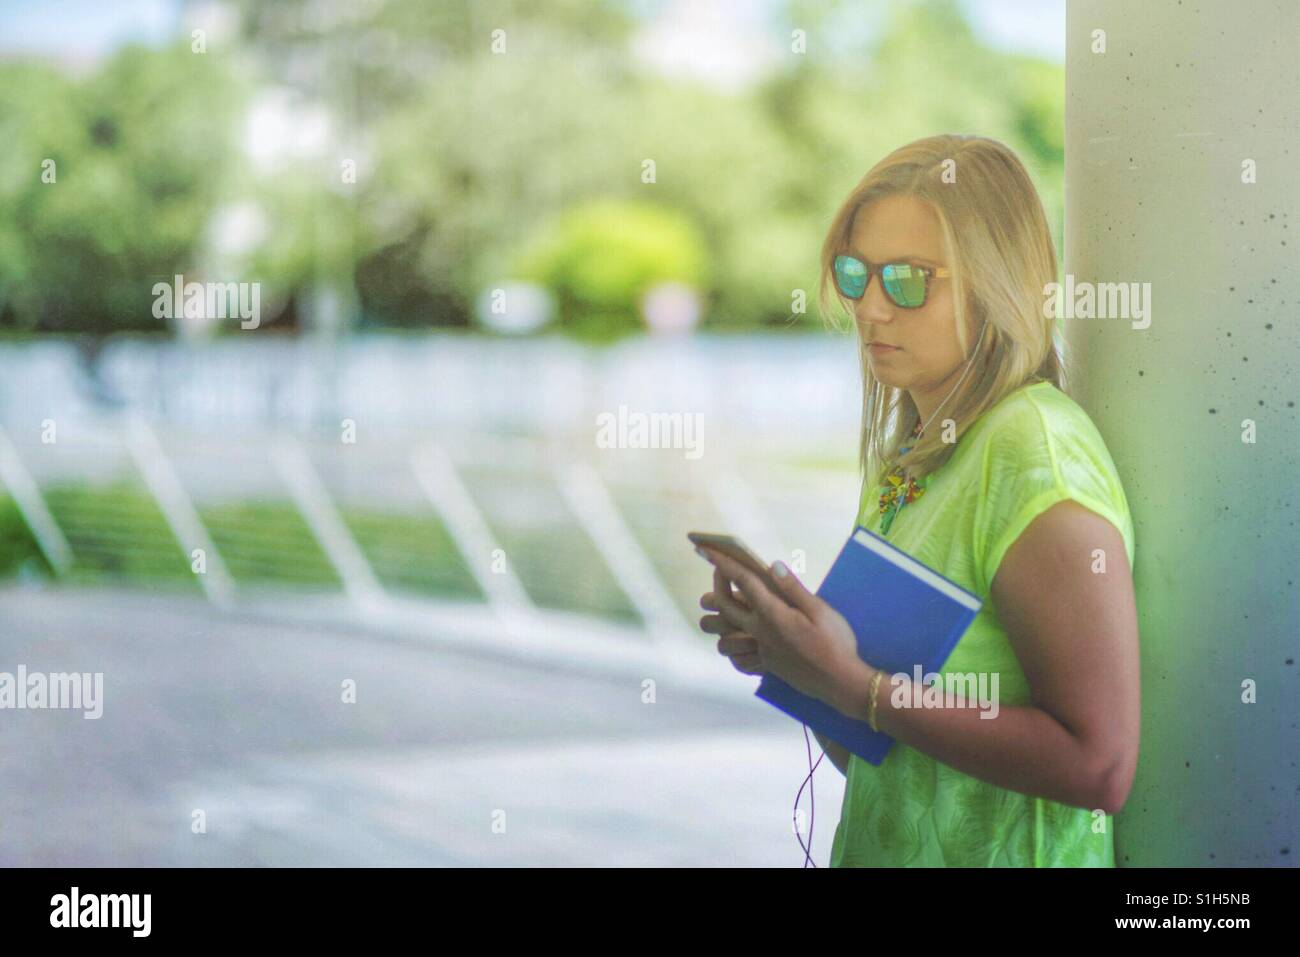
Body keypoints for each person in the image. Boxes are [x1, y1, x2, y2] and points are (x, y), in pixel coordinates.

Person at [695, 134, 1139, 867]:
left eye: (907, 279)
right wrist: (801, 662)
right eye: (854, 274)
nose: (870, 307)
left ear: (996, 284)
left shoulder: (1033, 451)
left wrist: (856, 685)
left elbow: (1100, 767)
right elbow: (889, 762)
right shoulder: (919, 449)